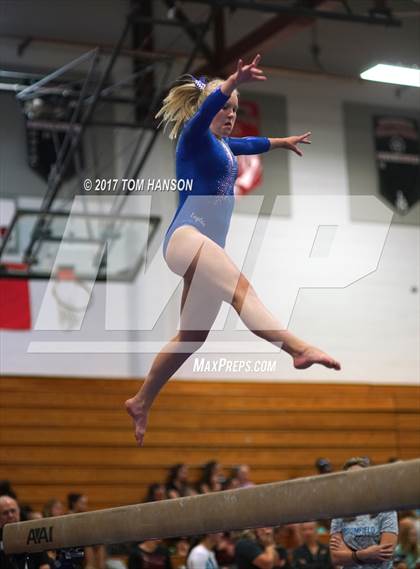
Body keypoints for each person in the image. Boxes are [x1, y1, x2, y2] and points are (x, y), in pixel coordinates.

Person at [125, 54, 341, 446]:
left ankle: (141, 400)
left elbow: (248, 143)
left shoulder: (224, 146)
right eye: (224, 106)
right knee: (244, 292)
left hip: (202, 247)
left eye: (235, 109)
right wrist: (228, 83)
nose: (229, 113)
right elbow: (208, 108)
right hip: (186, 237)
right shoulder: (193, 138)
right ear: (207, 107)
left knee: (191, 339)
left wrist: (281, 142)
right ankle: (297, 347)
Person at [329, 457, 398, 569]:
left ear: (369, 479)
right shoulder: (340, 513)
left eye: (359, 476)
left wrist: (350, 555)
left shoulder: (385, 509)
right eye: (349, 478)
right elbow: (336, 559)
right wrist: (365, 554)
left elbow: (385, 553)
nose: (354, 481)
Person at [0, 495, 51, 569]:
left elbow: (44, 564)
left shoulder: (30, 533)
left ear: (18, 511)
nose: (10, 515)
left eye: (13, 511)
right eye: (5, 513)